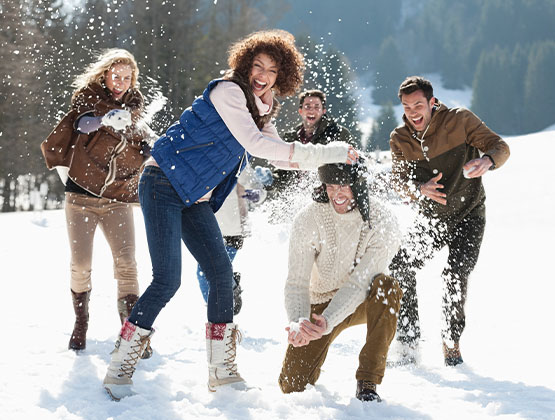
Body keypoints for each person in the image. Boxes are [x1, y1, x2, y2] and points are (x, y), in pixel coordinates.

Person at [102, 29, 359, 401]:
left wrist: (329, 153)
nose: (263, 74)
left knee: (221, 275)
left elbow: (274, 154)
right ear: (244, 64)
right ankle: (120, 367)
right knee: (167, 280)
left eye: (272, 69)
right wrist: (329, 152)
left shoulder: (264, 107)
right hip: (162, 182)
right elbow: (254, 144)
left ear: (281, 75)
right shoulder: (228, 92)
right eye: (257, 65)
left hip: (195, 196)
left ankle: (222, 370)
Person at [388, 76, 510, 366]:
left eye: (418, 105)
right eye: (406, 107)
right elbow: (397, 179)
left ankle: (450, 340)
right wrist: (418, 188)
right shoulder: (400, 138)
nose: (413, 112)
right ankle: (408, 341)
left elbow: (499, 146)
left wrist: (487, 161)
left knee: (455, 274)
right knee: (400, 266)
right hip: (433, 219)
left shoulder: (460, 120)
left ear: (432, 102)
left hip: (469, 215)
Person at [40, 48, 155, 355]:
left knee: (127, 263)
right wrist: (105, 119)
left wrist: (145, 149)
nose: (120, 82)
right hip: (80, 197)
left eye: (127, 78)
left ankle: (131, 331)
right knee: (81, 264)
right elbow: (81, 125)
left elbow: (137, 143)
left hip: (116, 199)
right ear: (105, 75)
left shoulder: (135, 110)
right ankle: (81, 323)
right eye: (116, 76)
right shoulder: (87, 98)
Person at [278, 162, 402, 402]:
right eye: (331, 186)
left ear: (359, 185)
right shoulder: (309, 219)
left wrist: (329, 320)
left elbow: (358, 284)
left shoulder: (383, 221)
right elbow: (297, 282)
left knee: (388, 287)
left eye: (344, 185)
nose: (337, 193)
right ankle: (309, 364)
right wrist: (300, 324)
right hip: (320, 303)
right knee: (291, 386)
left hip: (363, 299)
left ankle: (368, 380)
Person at [195, 163, 267, 315]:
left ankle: (222, 309)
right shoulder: (203, 161)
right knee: (204, 273)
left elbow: (260, 194)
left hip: (232, 231)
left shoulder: (239, 162)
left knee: (210, 271)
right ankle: (218, 308)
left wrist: (249, 193)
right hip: (207, 226)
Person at [270, 89, 358, 195]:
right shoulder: (291, 138)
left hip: (328, 197)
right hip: (296, 197)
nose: (312, 111)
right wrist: (271, 180)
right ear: (300, 110)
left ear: (323, 111)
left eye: (317, 107)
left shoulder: (338, 133)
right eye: (307, 106)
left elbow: (354, 161)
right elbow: (282, 173)